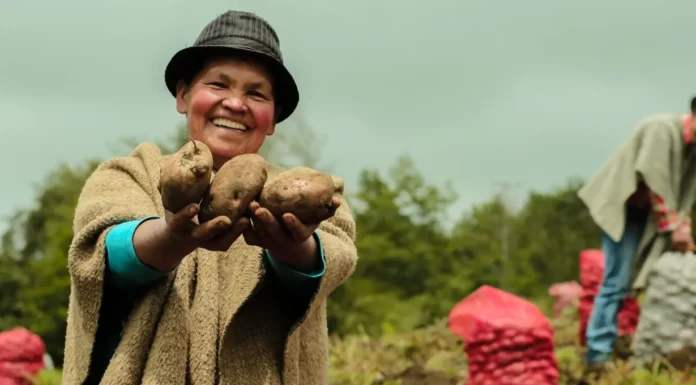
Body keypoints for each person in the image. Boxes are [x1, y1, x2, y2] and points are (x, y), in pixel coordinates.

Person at [60, 10, 357, 385]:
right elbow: (99, 256)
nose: (235, 103)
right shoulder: (131, 172)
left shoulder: (310, 190)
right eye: (218, 85)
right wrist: (170, 237)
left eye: (256, 93)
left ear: (273, 118)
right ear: (184, 96)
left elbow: (335, 256)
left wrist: (294, 251)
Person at [577, 97, 696, 378]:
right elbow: (656, 181)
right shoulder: (660, 129)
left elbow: (685, 193)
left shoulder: (693, 149)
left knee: (640, 279)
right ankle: (597, 354)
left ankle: (630, 341)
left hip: (648, 217)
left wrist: (683, 222)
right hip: (623, 207)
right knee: (616, 282)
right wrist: (676, 227)